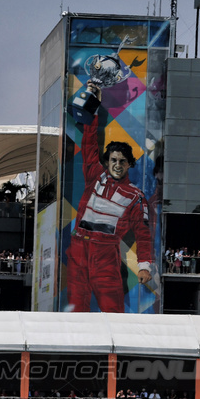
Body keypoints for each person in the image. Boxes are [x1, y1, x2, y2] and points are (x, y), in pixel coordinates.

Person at [66, 80, 152, 313]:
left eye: (122, 161)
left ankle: (117, 349)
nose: (117, 165)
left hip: (105, 255)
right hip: (78, 250)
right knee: (75, 311)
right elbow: (90, 141)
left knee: (113, 312)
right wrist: (94, 106)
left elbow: (143, 235)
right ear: (107, 161)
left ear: (129, 165)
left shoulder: (135, 196)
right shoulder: (95, 174)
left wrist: (145, 267)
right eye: (113, 160)